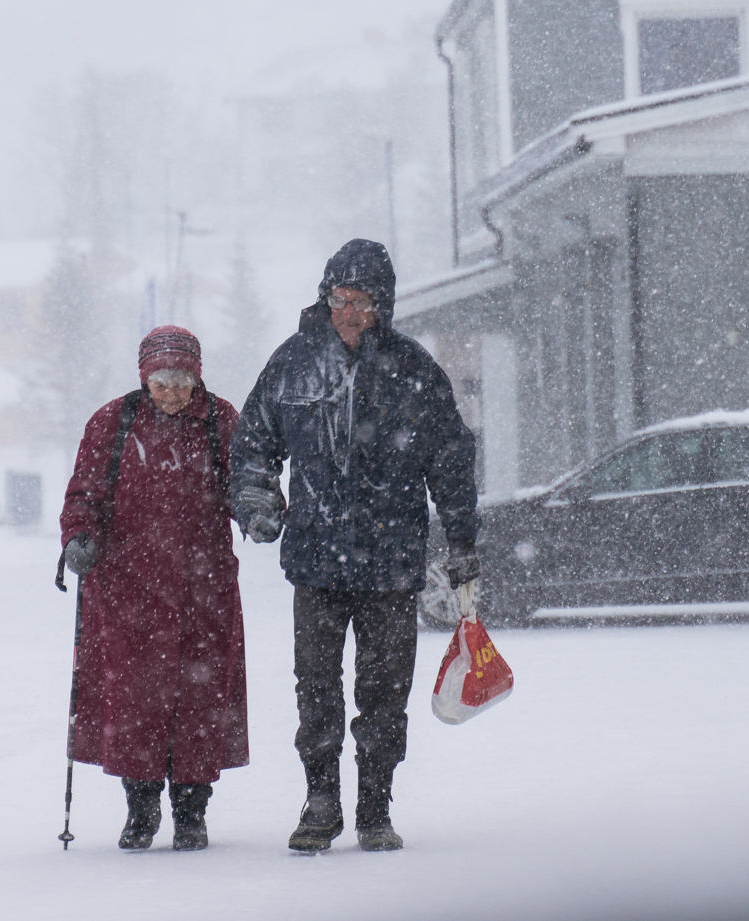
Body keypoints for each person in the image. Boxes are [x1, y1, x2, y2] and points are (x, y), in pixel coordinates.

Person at [229, 239, 478, 853]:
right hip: (315, 562)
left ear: (383, 305)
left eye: (361, 301)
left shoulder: (414, 371)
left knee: (384, 689)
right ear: (326, 298)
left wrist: (463, 540)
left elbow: (450, 459)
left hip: (392, 564)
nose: (348, 311)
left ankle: (374, 803)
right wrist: (258, 501)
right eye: (339, 299)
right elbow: (253, 443)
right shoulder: (292, 364)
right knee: (314, 686)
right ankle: (319, 798)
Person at [58, 325, 246, 852]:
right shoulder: (113, 423)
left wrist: (259, 509)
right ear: (144, 377)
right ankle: (140, 809)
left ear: (198, 377)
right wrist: (78, 537)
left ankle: (192, 812)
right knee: (135, 701)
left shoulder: (220, 421)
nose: (173, 392)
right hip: (128, 591)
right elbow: (84, 494)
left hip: (203, 589)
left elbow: (245, 484)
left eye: (183, 381)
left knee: (200, 699)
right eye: (162, 381)